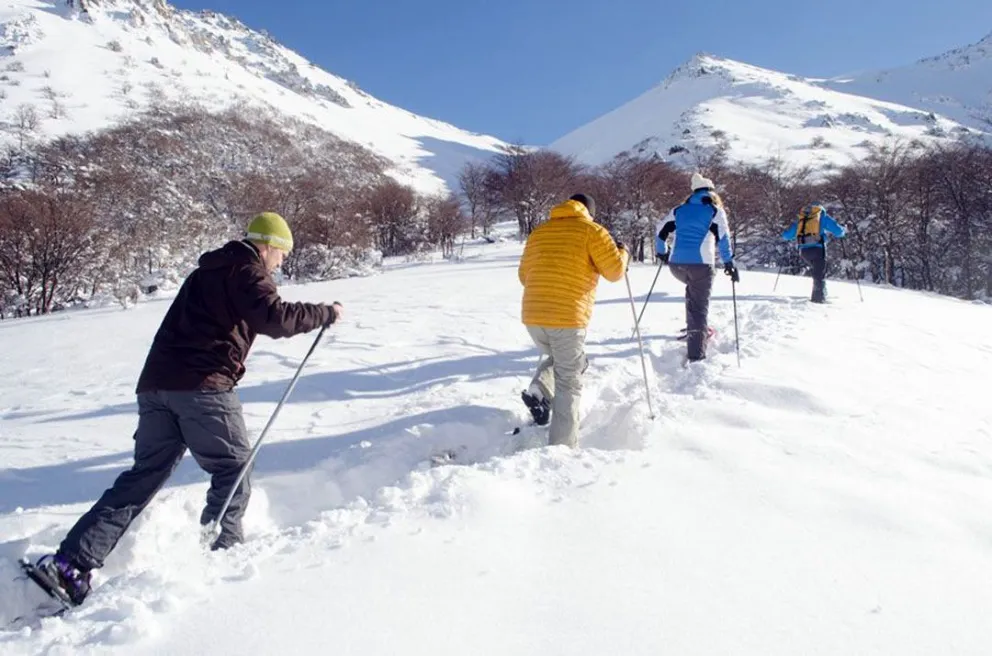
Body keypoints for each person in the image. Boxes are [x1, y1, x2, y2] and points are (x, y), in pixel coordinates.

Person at [34, 212, 341, 605]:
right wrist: (325, 313)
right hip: (202, 386)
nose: (281, 262)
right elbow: (274, 318)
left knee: (144, 475)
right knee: (233, 468)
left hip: (155, 386)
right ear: (267, 246)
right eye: (282, 253)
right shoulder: (247, 271)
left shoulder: (205, 272)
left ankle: (70, 564)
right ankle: (221, 558)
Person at [517, 193, 628, 448]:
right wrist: (623, 252)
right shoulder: (592, 231)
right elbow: (615, 272)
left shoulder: (540, 232)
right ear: (589, 212)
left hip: (533, 315)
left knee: (569, 360)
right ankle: (561, 447)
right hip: (566, 317)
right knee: (569, 380)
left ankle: (540, 389)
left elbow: (524, 275)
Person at [655, 173, 737, 363]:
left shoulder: (679, 210)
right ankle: (696, 353)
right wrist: (729, 263)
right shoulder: (715, 211)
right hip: (701, 265)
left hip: (676, 265)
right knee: (699, 307)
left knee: (693, 295)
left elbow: (660, 231)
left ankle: (695, 329)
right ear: (711, 193)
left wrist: (662, 252)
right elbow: (723, 238)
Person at [781, 203, 847, 303]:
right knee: (819, 273)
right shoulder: (821, 216)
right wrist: (843, 231)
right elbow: (838, 231)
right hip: (818, 249)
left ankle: (822, 291)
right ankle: (818, 298)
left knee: (818, 272)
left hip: (804, 251)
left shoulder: (801, 218)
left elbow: (787, 236)